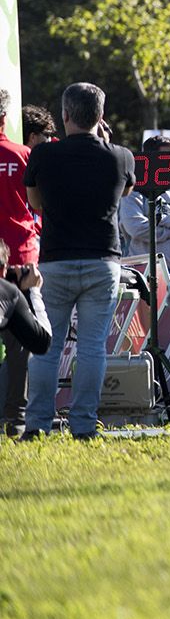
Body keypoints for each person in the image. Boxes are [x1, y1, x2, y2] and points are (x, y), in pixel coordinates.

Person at [22, 83, 136, 439]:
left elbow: (36, 203)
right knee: (91, 348)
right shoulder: (121, 156)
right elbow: (126, 192)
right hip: (103, 260)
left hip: (55, 260)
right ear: (101, 117)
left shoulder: (42, 156)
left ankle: (37, 424)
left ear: (65, 115)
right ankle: (84, 424)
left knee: (46, 347)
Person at [0, 89, 42, 436]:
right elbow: (39, 207)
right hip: (20, 262)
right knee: (22, 343)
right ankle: (15, 419)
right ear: (5, 119)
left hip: (13, 260)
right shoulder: (23, 155)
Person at [118, 134, 170, 269]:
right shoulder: (133, 191)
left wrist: (162, 219)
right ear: (151, 160)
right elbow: (136, 228)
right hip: (142, 271)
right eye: (167, 158)